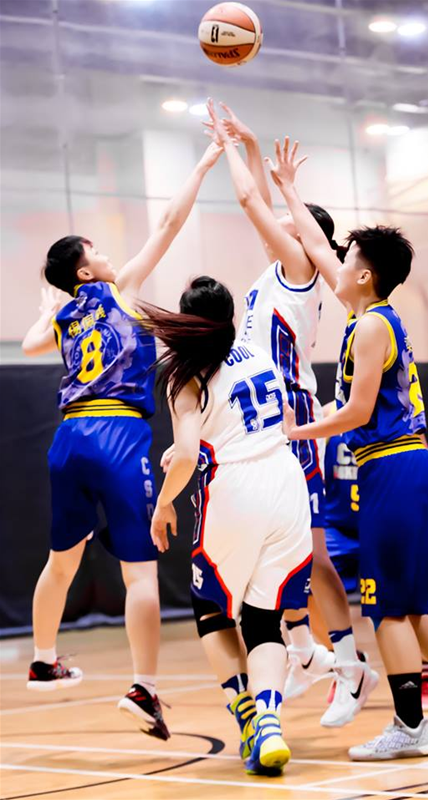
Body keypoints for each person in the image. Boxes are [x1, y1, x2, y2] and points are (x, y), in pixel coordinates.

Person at [271, 139, 428, 760]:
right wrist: (288, 188)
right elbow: (319, 249)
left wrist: (297, 432)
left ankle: (409, 726)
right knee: (413, 605)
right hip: (403, 467)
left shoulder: (371, 326)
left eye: (348, 260)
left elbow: (357, 412)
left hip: (393, 467)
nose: (335, 262)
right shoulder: (368, 313)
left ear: (365, 276)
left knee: (388, 610)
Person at [21, 141, 223, 741]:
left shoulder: (66, 315)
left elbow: (31, 344)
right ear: (86, 272)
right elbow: (169, 223)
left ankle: (43, 659)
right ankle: (144, 688)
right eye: (97, 252)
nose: (109, 255)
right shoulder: (120, 290)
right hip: (117, 431)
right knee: (139, 573)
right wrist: (203, 162)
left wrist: (51, 304)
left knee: (61, 562)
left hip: (68, 437)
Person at [205, 100, 378, 728]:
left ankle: (348, 662)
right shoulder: (281, 269)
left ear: (304, 237)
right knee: (281, 548)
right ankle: (305, 648)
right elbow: (259, 204)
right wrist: (251, 144)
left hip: (293, 420)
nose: (275, 224)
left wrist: (228, 145)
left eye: (289, 221)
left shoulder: (301, 267)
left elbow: (250, 201)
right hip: (268, 421)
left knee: (314, 551)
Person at [144, 276, 313, 776]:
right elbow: (267, 418)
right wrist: (197, 443)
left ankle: (244, 712)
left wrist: (164, 504)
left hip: (237, 490)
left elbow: (188, 454)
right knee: (263, 619)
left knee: (210, 606)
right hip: (286, 480)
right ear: (231, 316)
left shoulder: (186, 374)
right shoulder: (258, 353)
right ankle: (270, 723)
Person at [321, 405, 428, 711]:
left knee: (400, 599)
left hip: (381, 516)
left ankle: (423, 673)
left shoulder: (396, 416)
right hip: (339, 526)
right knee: (306, 584)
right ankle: (348, 660)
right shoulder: (325, 417)